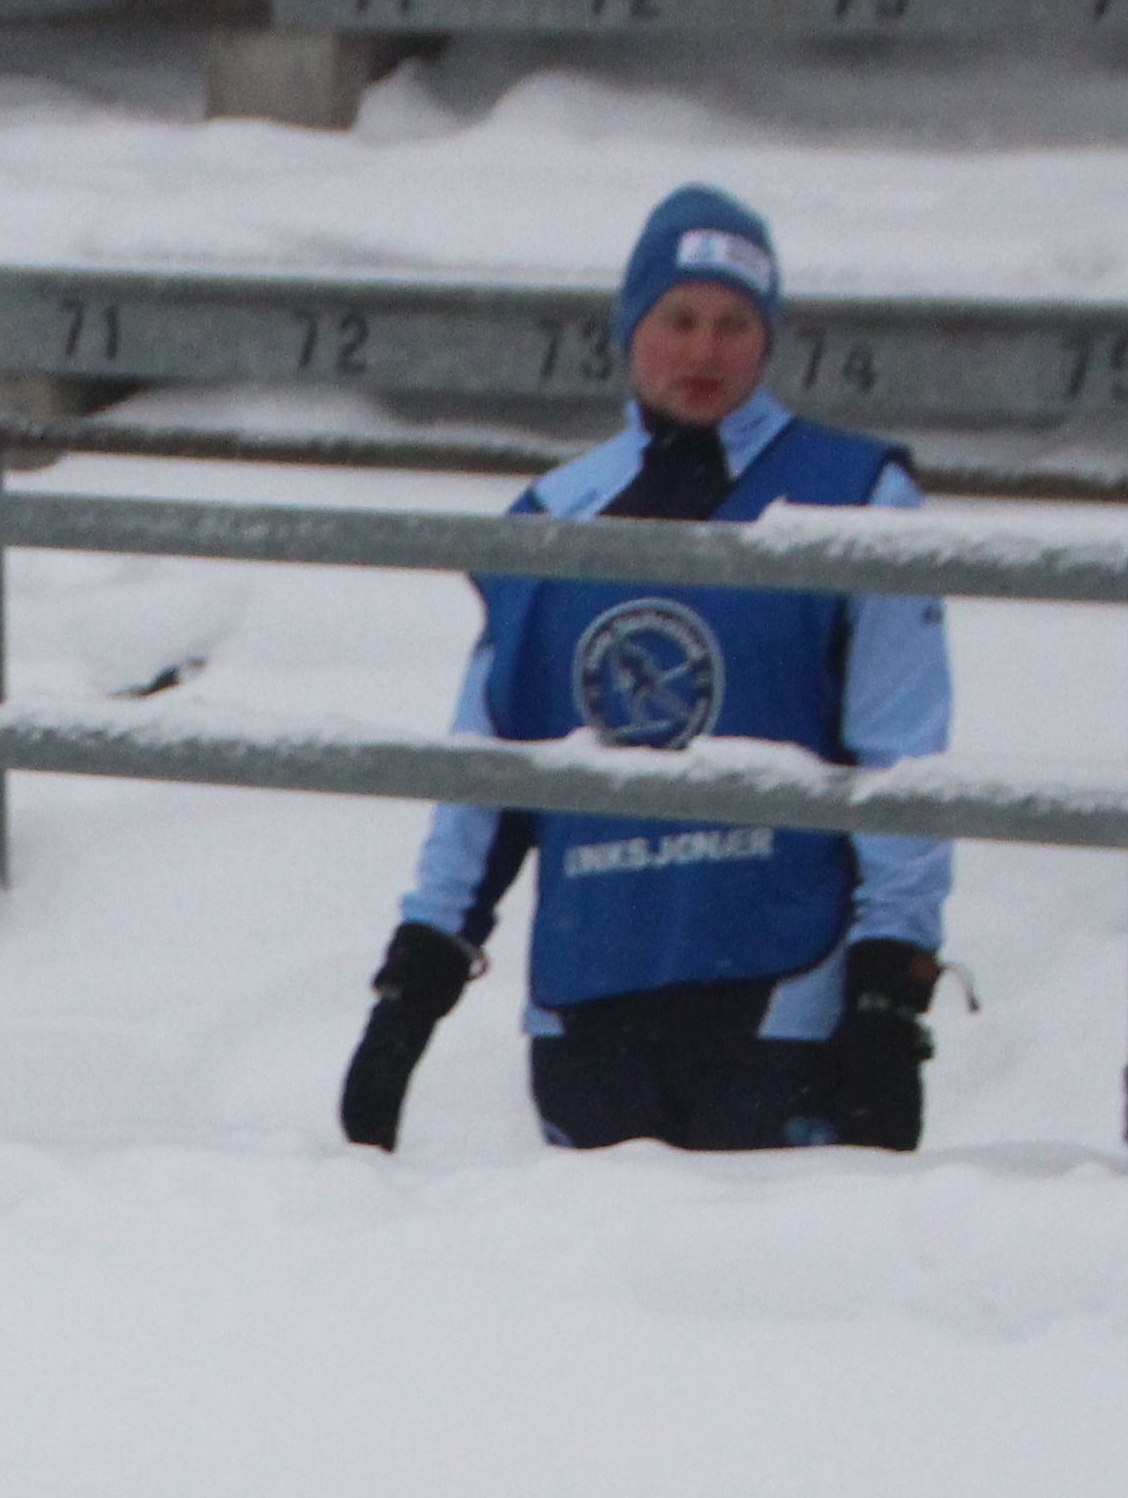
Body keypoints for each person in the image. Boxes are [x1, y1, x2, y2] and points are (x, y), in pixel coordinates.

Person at [337, 184, 955, 1156]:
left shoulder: (858, 495)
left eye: (733, 325)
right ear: (632, 329)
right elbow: (487, 769)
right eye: (679, 320)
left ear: (769, 338)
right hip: (591, 998)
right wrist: (415, 980)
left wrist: (890, 987)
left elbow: (903, 759)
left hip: (781, 999)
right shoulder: (551, 517)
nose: (704, 352)